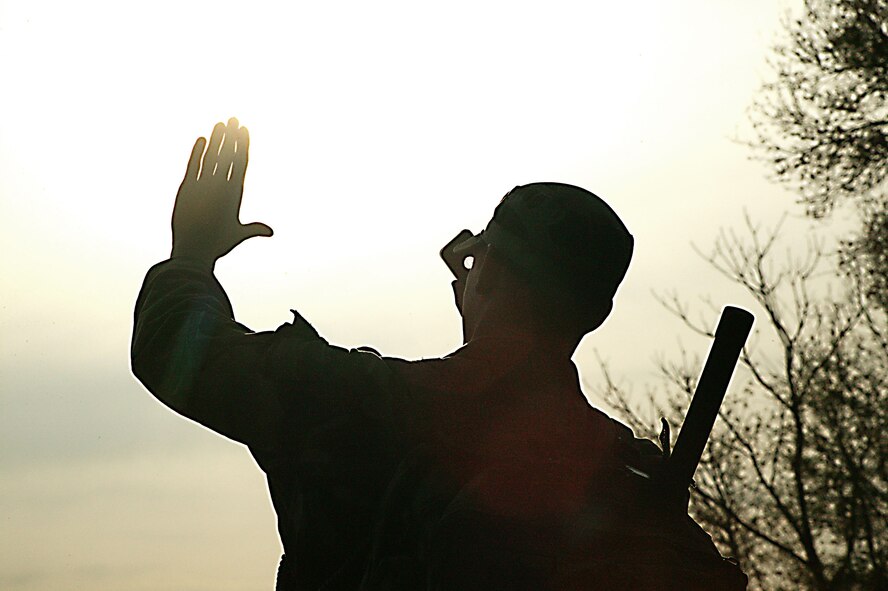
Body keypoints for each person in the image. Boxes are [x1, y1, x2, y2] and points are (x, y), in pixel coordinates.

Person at [131, 118, 747, 590]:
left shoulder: (363, 405)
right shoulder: (621, 472)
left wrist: (191, 255)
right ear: (595, 315)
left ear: (487, 272)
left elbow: (181, 354)